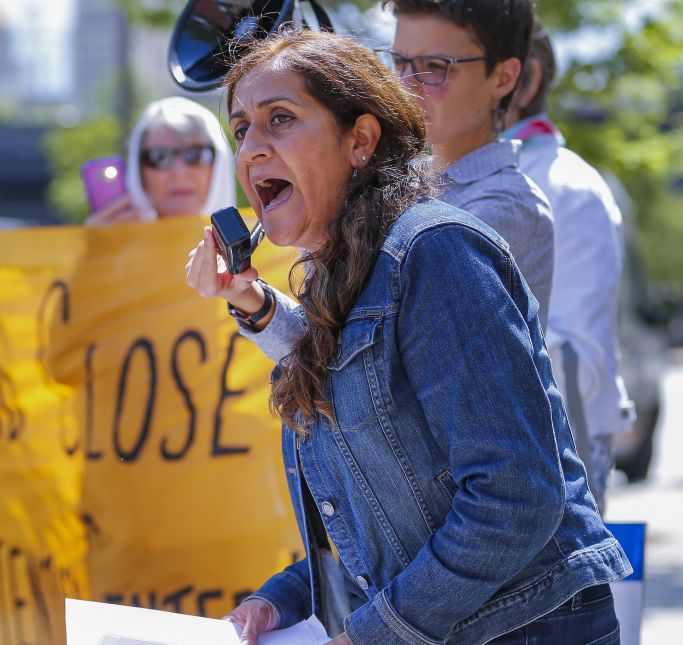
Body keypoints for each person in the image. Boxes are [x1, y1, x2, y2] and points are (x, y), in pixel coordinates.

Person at [184, 28, 630, 645]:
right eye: (241, 129)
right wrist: (278, 600)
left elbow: (514, 497)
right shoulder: (338, 281)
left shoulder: (435, 251)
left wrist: (374, 634)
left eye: (279, 119)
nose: (252, 149)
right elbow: (380, 523)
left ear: (360, 140)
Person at [504, 29, 634, 509]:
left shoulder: (569, 186)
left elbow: (579, 364)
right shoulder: (454, 175)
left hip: (555, 460)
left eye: (442, 67)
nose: (413, 85)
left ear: (521, 78)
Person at [382, 0, 555, 324]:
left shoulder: (505, 209)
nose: (406, 85)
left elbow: (373, 358)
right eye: (399, 61)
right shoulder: (404, 180)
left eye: (434, 67)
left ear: (503, 78)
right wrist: (257, 303)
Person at [86, 96, 235, 225]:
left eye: (195, 155)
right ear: (139, 172)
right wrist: (93, 253)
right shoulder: (109, 250)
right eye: (159, 157)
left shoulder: (254, 247)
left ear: (218, 165)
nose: (179, 173)